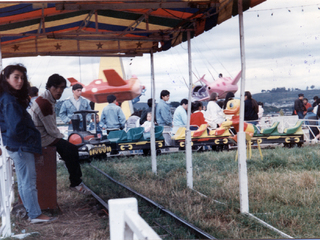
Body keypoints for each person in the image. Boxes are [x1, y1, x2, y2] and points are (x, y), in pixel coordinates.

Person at [0, 64, 56, 223]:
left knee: (26, 181)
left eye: (22, 78)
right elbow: (16, 127)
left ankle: (32, 212)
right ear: (6, 79)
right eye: (16, 77)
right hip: (20, 146)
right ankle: (35, 215)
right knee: (28, 182)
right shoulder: (9, 100)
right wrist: (29, 140)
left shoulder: (8, 97)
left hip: (18, 146)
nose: (19, 81)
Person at [29, 73, 91, 195]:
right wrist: (64, 140)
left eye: (62, 88)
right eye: (55, 88)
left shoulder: (46, 99)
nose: (59, 91)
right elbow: (52, 130)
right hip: (41, 138)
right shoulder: (45, 103)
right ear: (48, 87)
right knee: (71, 150)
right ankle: (76, 184)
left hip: (40, 135)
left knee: (69, 149)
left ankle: (76, 182)